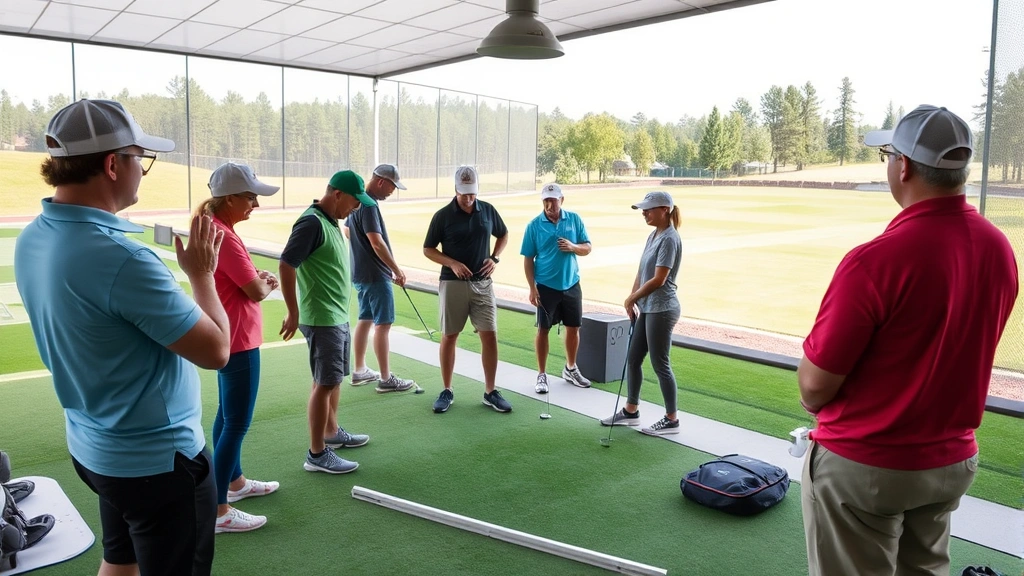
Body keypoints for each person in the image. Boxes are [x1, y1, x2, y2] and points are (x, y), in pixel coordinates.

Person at [14, 99, 230, 576]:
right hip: (157, 463)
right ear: (113, 164)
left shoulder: (33, 237)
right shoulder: (123, 259)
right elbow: (216, 350)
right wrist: (202, 275)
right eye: (141, 159)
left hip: (95, 450)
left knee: (120, 561)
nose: (142, 171)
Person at [799, 105, 1018, 576]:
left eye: (887, 154)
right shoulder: (998, 248)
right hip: (950, 464)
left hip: (866, 465)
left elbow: (814, 387)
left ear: (903, 167)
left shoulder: (874, 261)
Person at [196, 163, 281, 534]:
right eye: (250, 197)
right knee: (236, 422)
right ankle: (218, 511)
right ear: (229, 198)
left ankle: (235, 482)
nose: (255, 204)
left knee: (226, 416)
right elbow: (255, 291)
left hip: (228, 336)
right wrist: (267, 282)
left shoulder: (215, 227)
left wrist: (257, 279)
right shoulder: (224, 236)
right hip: (239, 340)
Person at [279, 170, 377, 475]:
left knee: (331, 380)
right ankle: (317, 454)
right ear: (337, 194)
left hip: (335, 316)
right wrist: (293, 312)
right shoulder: (311, 222)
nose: (356, 208)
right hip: (321, 317)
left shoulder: (331, 221)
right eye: (354, 201)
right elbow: (286, 264)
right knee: (325, 384)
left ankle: (331, 432)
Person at [423, 165, 511, 414]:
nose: (469, 198)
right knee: (450, 336)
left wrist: (494, 258)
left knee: (489, 334)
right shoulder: (442, 216)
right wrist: (452, 263)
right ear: (455, 190)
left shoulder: (488, 210)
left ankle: (490, 391)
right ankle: (447, 390)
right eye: (464, 194)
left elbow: (503, 234)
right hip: (452, 283)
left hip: (483, 284)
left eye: (472, 193)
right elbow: (428, 249)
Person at [600, 191, 683, 437]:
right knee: (633, 358)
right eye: (643, 209)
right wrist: (632, 297)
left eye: (649, 209)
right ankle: (631, 411)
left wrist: (633, 298)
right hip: (648, 306)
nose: (644, 213)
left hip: (662, 308)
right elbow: (641, 271)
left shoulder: (669, 238)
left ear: (665, 210)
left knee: (660, 364)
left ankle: (672, 419)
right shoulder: (653, 235)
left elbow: (659, 279)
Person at [346, 164, 416, 393]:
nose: (392, 191)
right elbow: (377, 242)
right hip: (376, 274)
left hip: (360, 273)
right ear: (381, 182)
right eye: (392, 186)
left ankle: (359, 370)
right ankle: (386, 378)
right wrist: (396, 269)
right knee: (383, 325)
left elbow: (347, 230)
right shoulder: (369, 205)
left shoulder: (356, 201)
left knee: (365, 319)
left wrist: (361, 246)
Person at [521, 183, 593, 393]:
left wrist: (573, 246)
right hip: (545, 286)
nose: (550, 205)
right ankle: (542, 374)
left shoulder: (574, 220)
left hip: (571, 283)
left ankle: (570, 368)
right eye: (546, 201)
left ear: (562, 200)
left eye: (553, 200)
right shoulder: (534, 225)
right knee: (543, 329)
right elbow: (528, 259)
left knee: (573, 327)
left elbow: (587, 247)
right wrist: (532, 288)